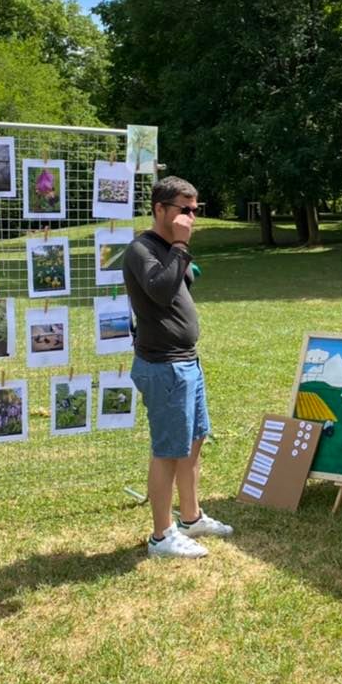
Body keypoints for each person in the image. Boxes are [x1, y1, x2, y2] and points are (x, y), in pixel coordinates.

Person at [124, 175, 233, 558]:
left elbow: (181, 283)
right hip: (164, 366)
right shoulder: (141, 249)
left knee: (193, 442)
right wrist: (182, 246)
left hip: (187, 362)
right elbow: (159, 289)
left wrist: (180, 251)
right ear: (160, 209)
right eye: (184, 210)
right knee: (168, 451)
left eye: (195, 210)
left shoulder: (169, 248)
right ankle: (161, 536)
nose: (191, 217)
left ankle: (190, 517)